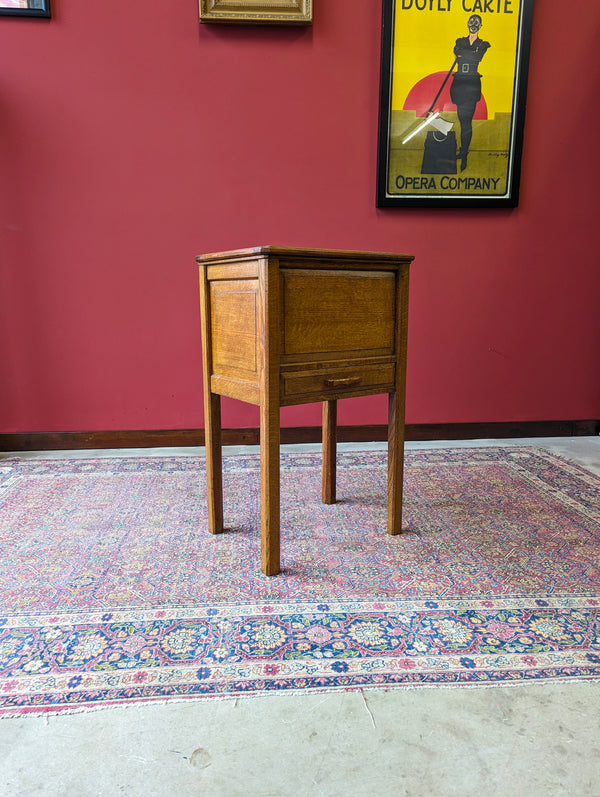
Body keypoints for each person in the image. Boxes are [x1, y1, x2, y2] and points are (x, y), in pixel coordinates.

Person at [450, 15, 490, 171]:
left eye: (476, 23)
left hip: (471, 85)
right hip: (460, 84)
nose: (473, 25)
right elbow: (458, 52)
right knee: (462, 121)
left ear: (481, 25)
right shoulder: (460, 41)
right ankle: (463, 151)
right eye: (471, 22)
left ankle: (464, 154)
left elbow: (477, 57)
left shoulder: (483, 44)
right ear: (467, 23)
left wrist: (465, 55)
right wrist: (470, 54)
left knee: (467, 123)